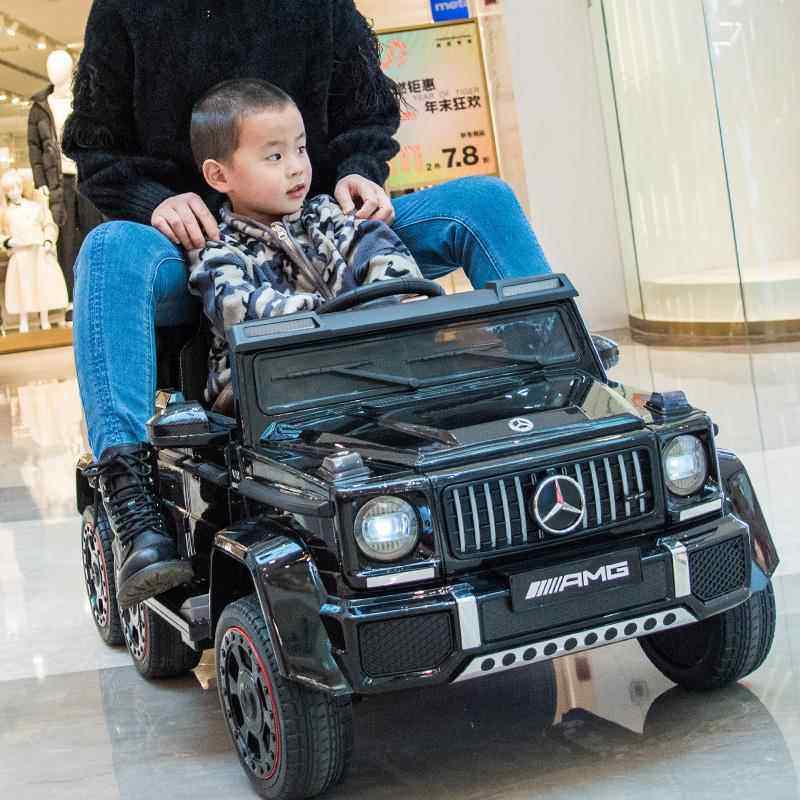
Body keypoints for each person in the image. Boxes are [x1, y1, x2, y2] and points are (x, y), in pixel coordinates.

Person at [64, 0, 552, 608]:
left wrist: (359, 171)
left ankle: (562, 399)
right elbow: (95, 149)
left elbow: (366, 111)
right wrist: (152, 201)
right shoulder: (125, 10)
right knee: (108, 250)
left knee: (482, 201)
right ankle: (132, 502)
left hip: (327, 226)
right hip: (199, 238)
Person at [187, 79, 423, 411]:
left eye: (300, 149)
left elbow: (391, 263)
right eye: (275, 156)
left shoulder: (328, 214)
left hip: (364, 371)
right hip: (266, 395)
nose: (297, 167)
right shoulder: (215, 249)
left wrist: (382, 311)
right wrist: (353, 317)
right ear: (219, 176)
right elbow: (247, 314)